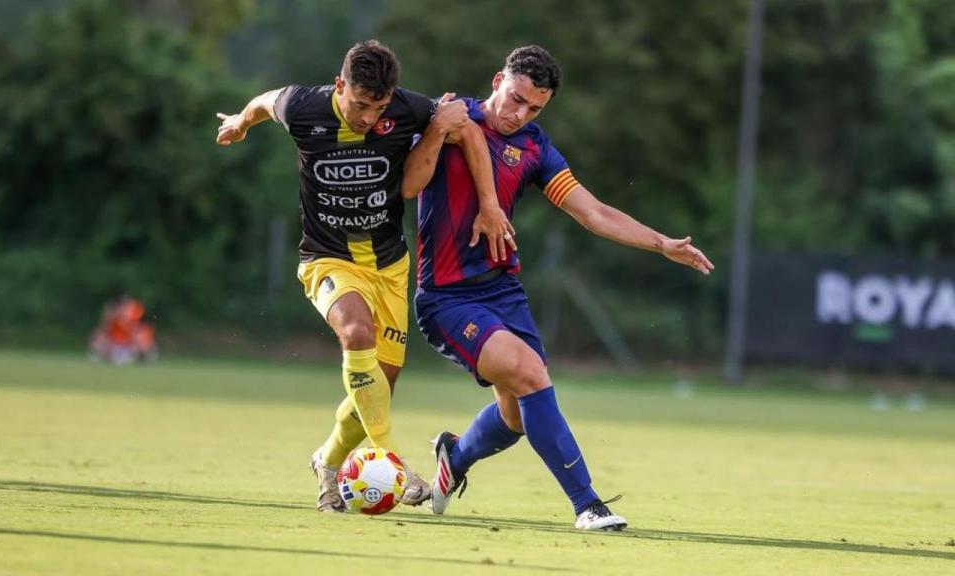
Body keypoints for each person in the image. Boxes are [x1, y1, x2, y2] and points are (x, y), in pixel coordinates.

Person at [402, 45, 715, 531]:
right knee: (530, 375)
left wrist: (660, 243)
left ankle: (454, 457)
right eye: (515, 98)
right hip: (447, 297)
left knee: (515, 417)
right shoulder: (450, 117)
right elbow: (406, 177)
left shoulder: (534, 148)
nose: (519, 113)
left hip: (504, 291)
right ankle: (588, 504)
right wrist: (435, 129)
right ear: (496, 81)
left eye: (534, 108)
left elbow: (592, 213)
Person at [214, 40, 514, 513]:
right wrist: (239, 123)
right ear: (340, 87)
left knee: (377, 386)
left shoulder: (409, 108)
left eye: (378, 108)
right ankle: (391, 458)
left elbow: (468, 131)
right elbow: (263, 102)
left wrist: (490, 203)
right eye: (359, 105)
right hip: (327, 259)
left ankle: (327, 464)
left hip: (390, 267)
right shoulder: (303, 107)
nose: (369, 118)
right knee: (357, 334)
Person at [88, 293, 158, 365]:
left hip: (129, 346)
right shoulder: (113, 319)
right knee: (100, 339)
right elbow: (104, 331)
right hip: (117, 346)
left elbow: (137, 335)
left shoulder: (137, 319)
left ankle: (136, 358)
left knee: (140, 343)